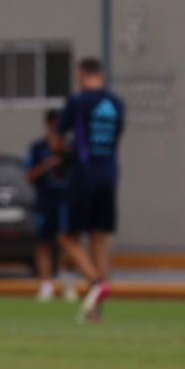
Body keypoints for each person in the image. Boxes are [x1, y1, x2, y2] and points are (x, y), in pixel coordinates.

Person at [55, 57, 125, 323]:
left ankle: (96, 283)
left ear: (81, 74)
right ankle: (96, 310)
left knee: (67, 237)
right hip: (109, 174)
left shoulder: (78, 101)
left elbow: (60, 139)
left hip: (85, 174)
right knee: (100, 240)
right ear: (103, 75)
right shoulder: (116, 104)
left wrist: (62, 152)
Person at [24, 109, 78, 303]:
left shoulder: (71, 148)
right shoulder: (38, 148)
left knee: (69, 243)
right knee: (44, 243)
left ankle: (68, 283)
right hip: (45, 201)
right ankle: (46, 285)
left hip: (68, 201)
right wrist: (48, 164)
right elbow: (28, 175)